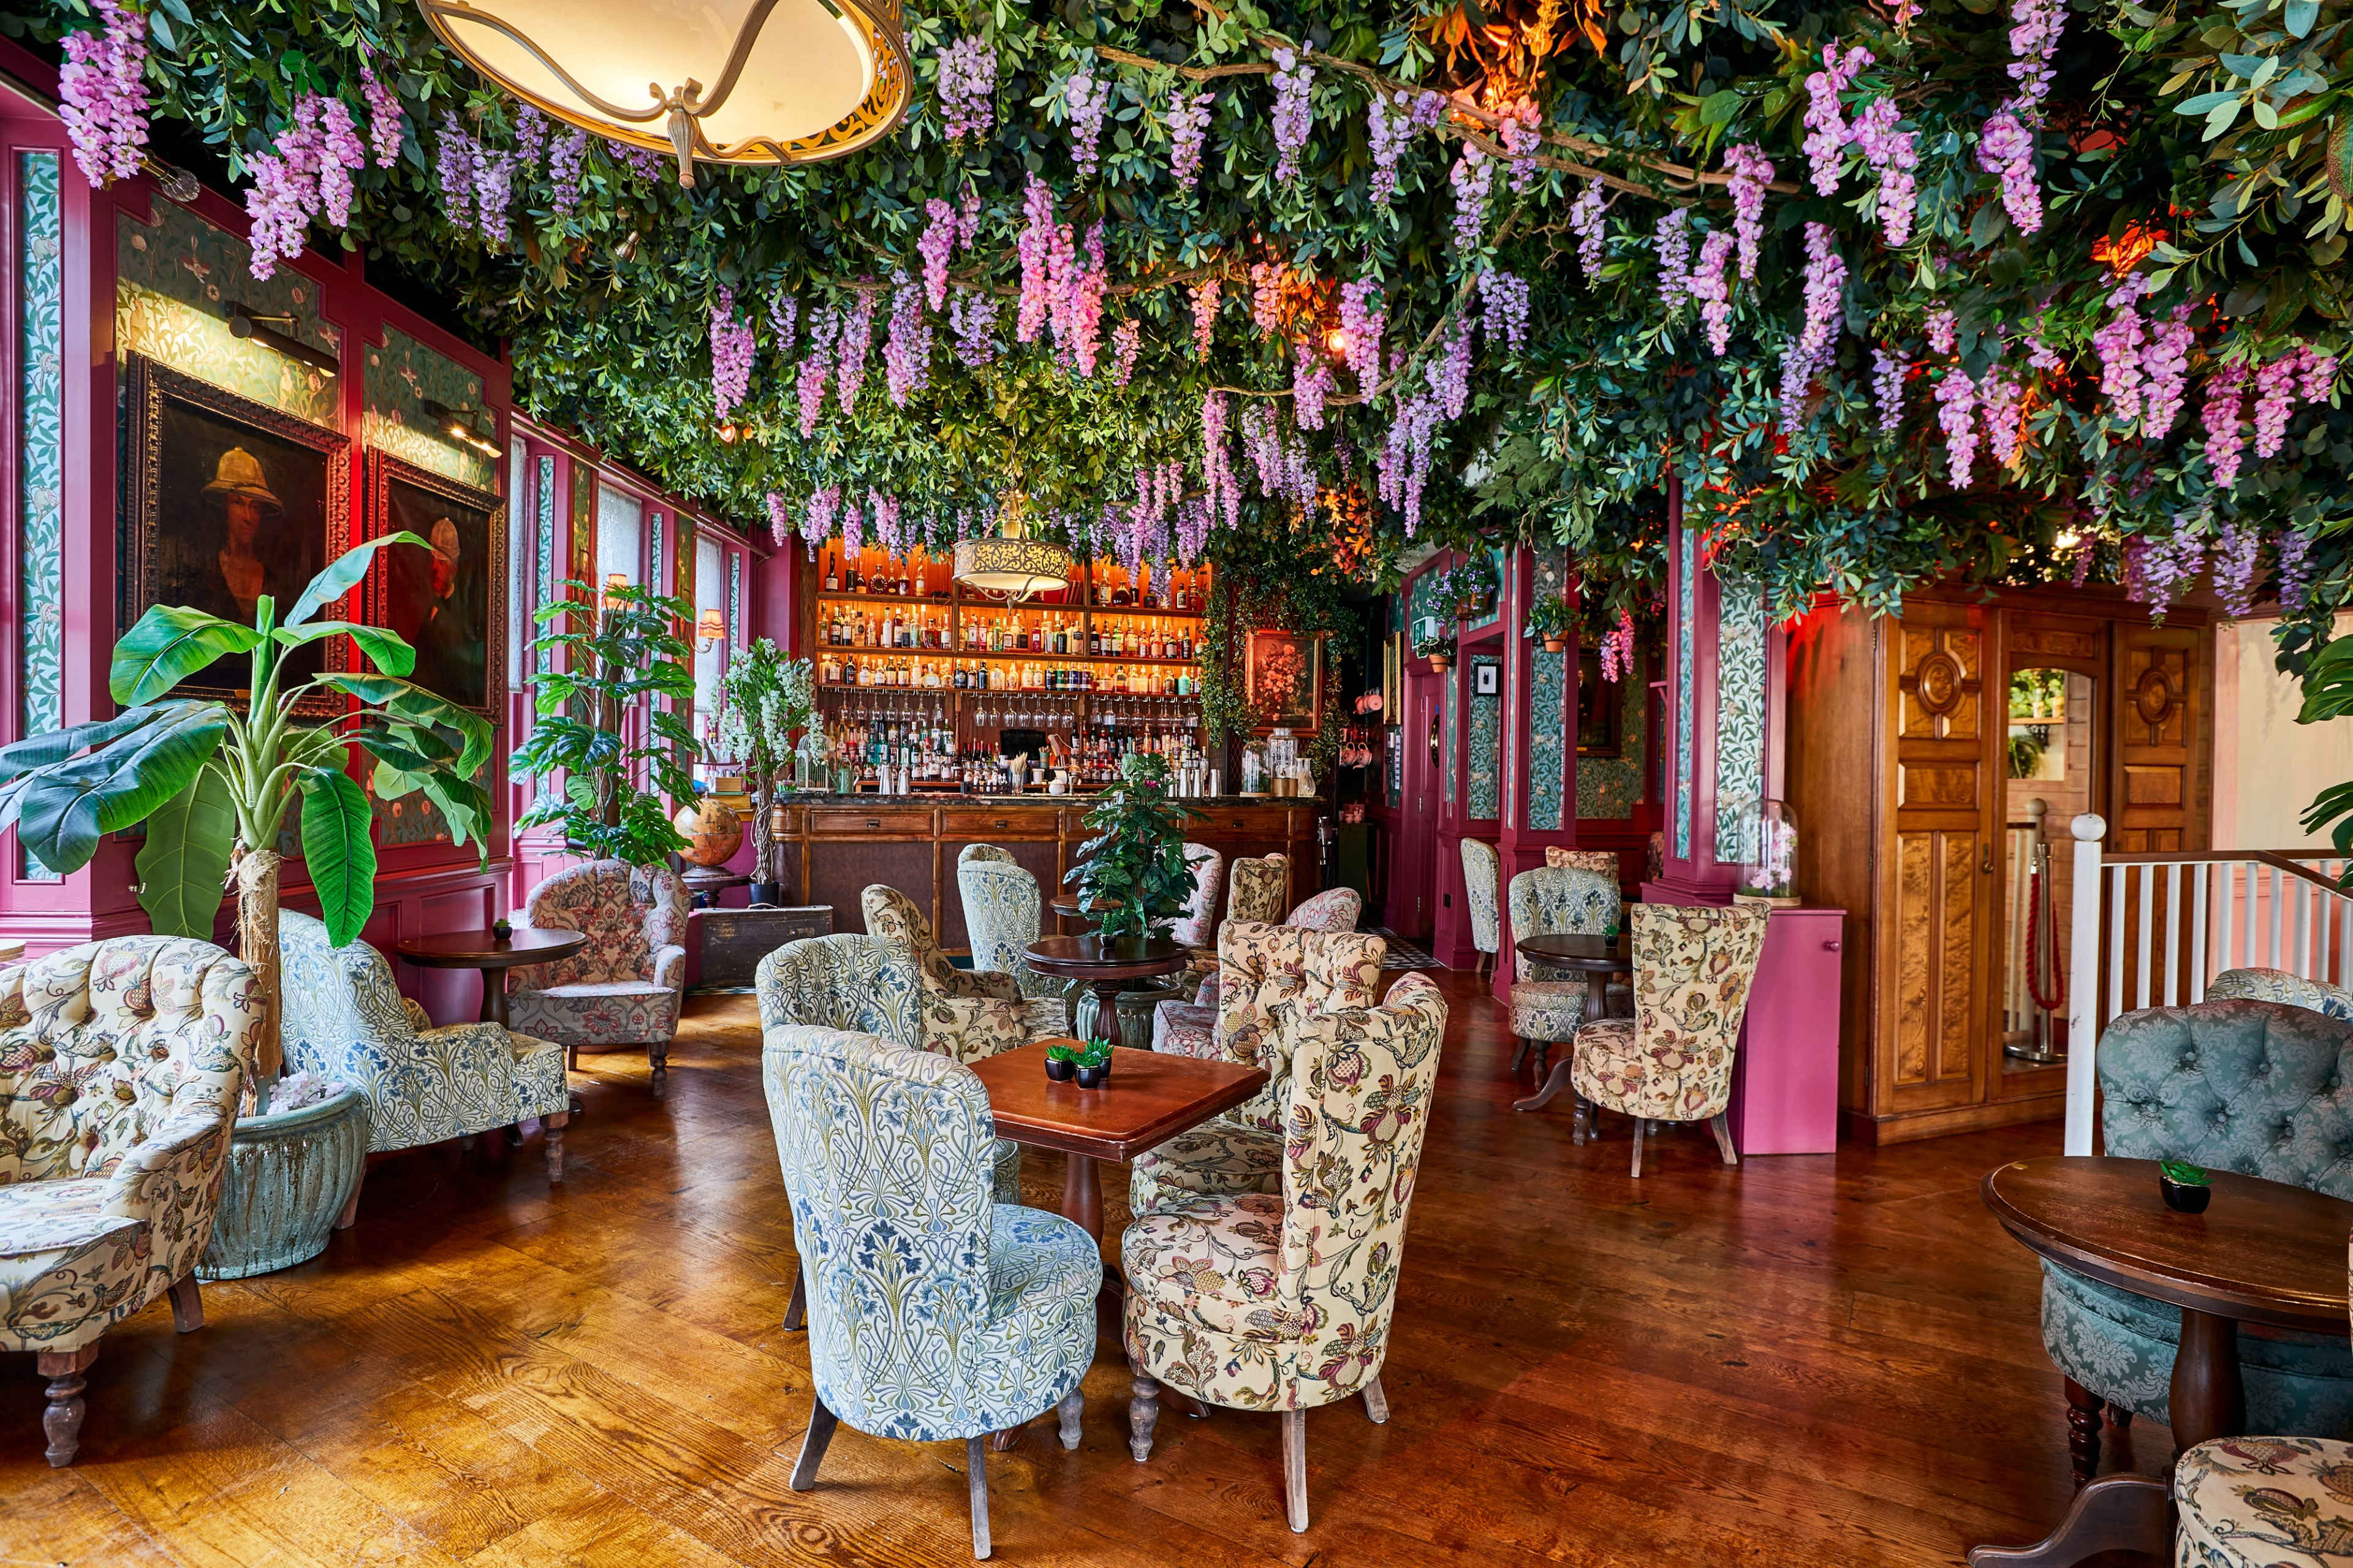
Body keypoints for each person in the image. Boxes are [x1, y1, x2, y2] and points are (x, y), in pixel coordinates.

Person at [181, 446, 280, 625]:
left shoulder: (272, 582)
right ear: (225, 507)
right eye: (238, 503)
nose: (248, 517)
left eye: (255, 507)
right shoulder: (206, 573)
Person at [410, 515, 482, 704]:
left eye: (441, 564)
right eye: (433, 561)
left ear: (455, 569)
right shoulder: (428, 607)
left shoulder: (464, 615)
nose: (434, 569)